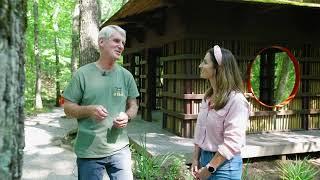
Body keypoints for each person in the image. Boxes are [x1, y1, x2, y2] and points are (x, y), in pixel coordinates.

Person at [63, 25, 139, 180]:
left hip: (120, 149)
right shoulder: (82, 74)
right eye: (116, 41)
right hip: (89, 151)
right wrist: (89, 110)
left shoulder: (126, 76)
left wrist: (127, 116)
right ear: (101, 42)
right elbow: (67, 108)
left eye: (123, 43)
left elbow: (133, 105)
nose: (121, 46)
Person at [191, 45, 249, 180]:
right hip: (204, 161)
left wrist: (210, 168)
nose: (200, 66)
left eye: (205, 62)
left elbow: (233, 142)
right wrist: (195, 159)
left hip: (225, 167)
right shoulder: (207, 98)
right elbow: (200, 131)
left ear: (219, 68)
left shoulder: (237, 101)